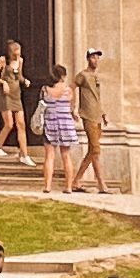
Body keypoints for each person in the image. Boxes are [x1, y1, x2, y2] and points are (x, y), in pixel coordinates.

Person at [34, 64, 84, 194]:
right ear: (63, 76)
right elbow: (72, 107)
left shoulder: (45, 89)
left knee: (49, 156)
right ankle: (68, 187)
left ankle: (47, 186)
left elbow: (41, 104)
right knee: (66, 156)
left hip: (50, 123)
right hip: (65, 124)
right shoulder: (68, 91)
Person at [71, 49, 112, 194]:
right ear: (88, 58)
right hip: (88, 115)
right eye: (93, 57)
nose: (96, 60)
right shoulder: (82, 75)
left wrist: (103, 113)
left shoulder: (96, 77)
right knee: (96, 149)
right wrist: (73, 107)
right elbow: (71, 88)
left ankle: (76, 181)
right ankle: (101, 184)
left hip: (97, 115)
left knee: (92, 151)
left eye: (97, 57)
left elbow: (97, 97)